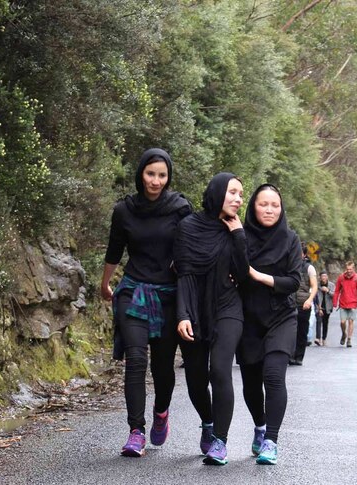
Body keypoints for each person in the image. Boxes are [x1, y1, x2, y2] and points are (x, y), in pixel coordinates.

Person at [101, 148, 213, 458]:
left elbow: (194, 246)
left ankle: (161, 411)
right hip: (134, 291)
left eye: (162, 175)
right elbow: (114, 249)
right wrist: (105, 283)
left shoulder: (180, 209)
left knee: (163, 369)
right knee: (136, 360)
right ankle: (136, 431)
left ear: (168, 177)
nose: (156, 180)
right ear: (141, 174)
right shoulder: (124, 210)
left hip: (168, 295)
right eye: (151, 174)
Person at [175, 172, 249, 466]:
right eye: (233, 192)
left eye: (241, 194)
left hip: (228, 307)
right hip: (194, 307)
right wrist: (182, 314)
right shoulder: (187, 228)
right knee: (195, 378)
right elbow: (182, 273)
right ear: (217, 192)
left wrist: (239, 235)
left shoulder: (236, 228)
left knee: (220, 370)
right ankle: (207, 422)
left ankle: (220, 441)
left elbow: (243, 274)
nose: (238, 199)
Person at [237, 184, 302, 465]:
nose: (269, 209)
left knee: (274, 376)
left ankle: (271, 441)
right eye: (263, 204)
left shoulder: (290, 239)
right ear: (253, 206)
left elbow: (294, 282)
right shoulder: (240, 237)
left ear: (281, 208)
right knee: (251, 384)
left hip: (281, 316)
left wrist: (258, 276)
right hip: (249, 318)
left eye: (275, 205)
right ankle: (260, 426)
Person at [289, 245, 317, 365]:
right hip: (290, 303)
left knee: (302, 331)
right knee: (289, 331)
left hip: (303, 303)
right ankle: (290, 356)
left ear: (304, 255)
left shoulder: (309, 268)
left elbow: (315, 286)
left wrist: (309, 300)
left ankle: (299, 357)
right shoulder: (288, 265)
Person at [333, 261, 357, 347]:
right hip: (343, 303)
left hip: (353, 303)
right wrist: (335, 302)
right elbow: (337, 291)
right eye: (347, 269)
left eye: (350, 269)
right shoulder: (341, 278)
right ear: (345, 269)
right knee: (342, 322)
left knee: (351, 321)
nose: (349, 271)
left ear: (353, 269)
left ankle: (349, 339)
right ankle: (344, 334)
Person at [315, 270, 335, 346]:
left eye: (325, 276)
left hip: (327, 307)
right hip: (319, 306)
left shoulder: (331, 285)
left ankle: (324, 339)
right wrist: (319, 308)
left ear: (327, 277)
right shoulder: (317, 285)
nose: (324, 278)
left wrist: (328, 291)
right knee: (319, 321)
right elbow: (315, 297)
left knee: (325, 323)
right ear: (320, 277)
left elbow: (334, 295)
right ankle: (318, 338)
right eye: (322, 276)